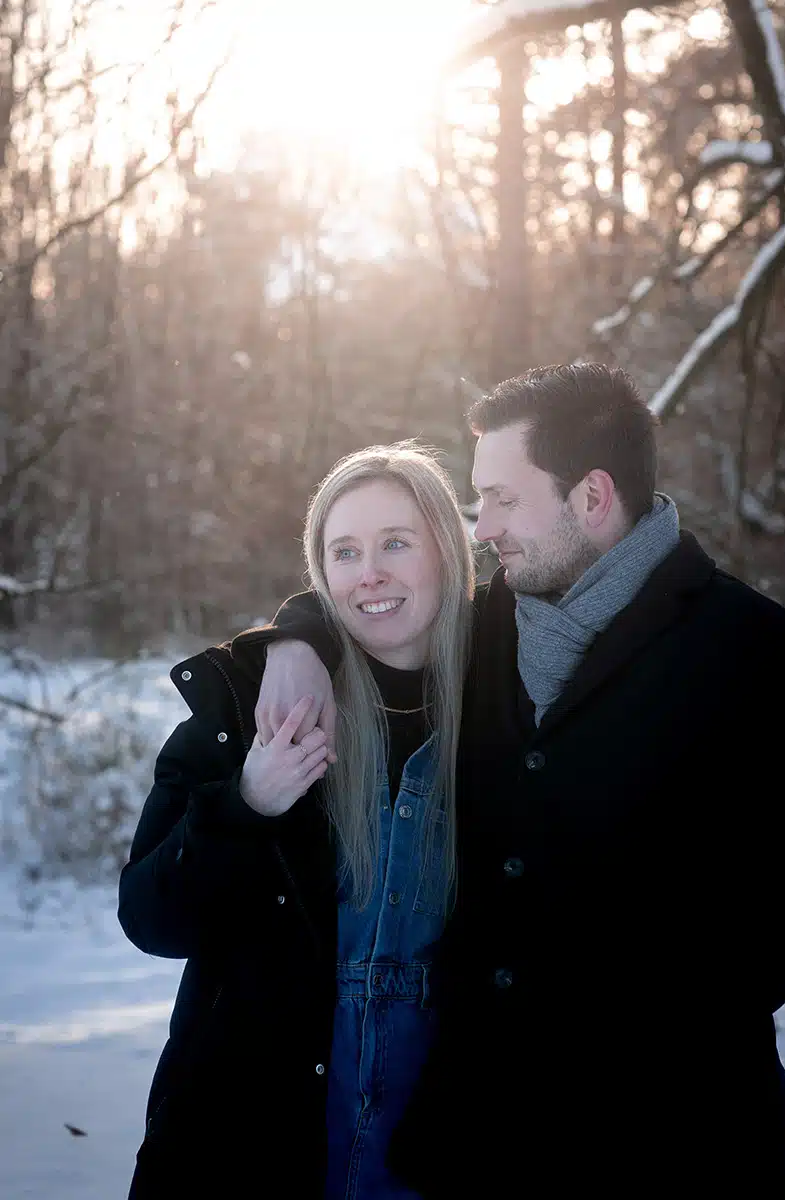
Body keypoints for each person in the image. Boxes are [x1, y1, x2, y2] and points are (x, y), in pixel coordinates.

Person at [255, 363, 785, 1198]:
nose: (482, 528)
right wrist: (295, 640)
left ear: (591, 497)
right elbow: (371, 598)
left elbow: (775, 936)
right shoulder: (480, 636)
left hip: (684, 1145)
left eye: (504, 500)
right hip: (492, 1147)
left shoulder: (753, 654)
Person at [117, 441, 475, 1199]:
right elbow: (150, 920)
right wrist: (246, 804)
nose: (368, 572)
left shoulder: (509, 715)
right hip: (257, 1148)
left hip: (436, 1150)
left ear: (447, 550)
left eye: (395, 544)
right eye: (343, 551)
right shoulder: (251, 708)